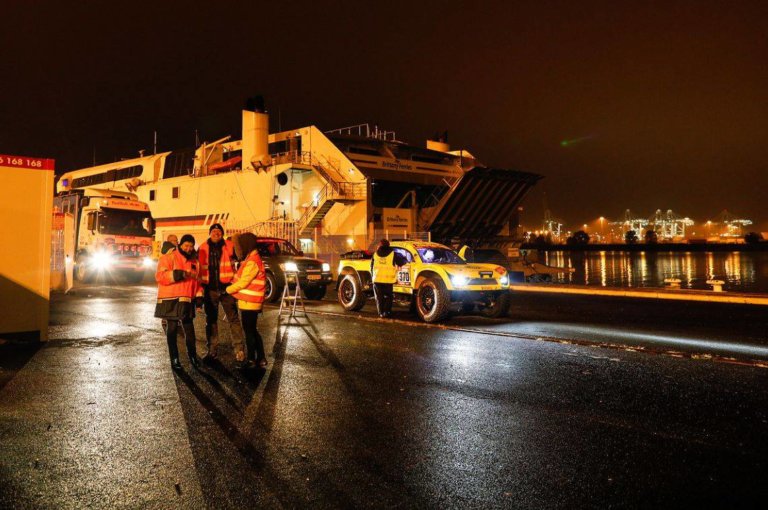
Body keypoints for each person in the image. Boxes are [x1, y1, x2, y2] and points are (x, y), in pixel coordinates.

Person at [197, 223, 246, 363]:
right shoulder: (202, 248)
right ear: (210, 233)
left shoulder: (230, 245)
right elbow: (199, 270)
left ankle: (239, 350)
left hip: (227, 289)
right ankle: (212, 350)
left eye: (219, 231)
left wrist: (237, 239)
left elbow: (240, 256)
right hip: (210, 290)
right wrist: (200, 292)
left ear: (222, 234)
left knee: (234, 320)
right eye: (214, 231)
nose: (216, 233)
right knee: (211, 321)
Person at [155, 234, 202, 371]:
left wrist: (199, 298)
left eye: (191, 246)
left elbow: (197, 282)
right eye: (186, 245)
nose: (188, 248)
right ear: (180, 245)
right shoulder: (168, 257)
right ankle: (174, 359)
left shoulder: (195, 262)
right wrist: (178, 274)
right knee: (172, 330)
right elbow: (160, 276)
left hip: (187, 300)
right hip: (171, 299)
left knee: (189, 330)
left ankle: (192, 356)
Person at [226, 233, 268, 368]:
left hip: (250, 302)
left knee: (249, 331)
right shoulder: (251, 258)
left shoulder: (252, 261)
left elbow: (244, 282)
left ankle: (251, 359)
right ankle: (261, 358)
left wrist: (228, 290)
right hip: (250, 302)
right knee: (253, 330)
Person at [370, 239, 407, 318]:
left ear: (380, 245)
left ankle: (381, 313)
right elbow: (402, 262)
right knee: (388, 297)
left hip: (377, 280)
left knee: (379, 297)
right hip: (388, 281)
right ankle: (387, 312)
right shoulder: (393, 254)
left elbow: (371, 267)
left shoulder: (375, 254)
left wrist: (372, 277)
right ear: (388, 245)